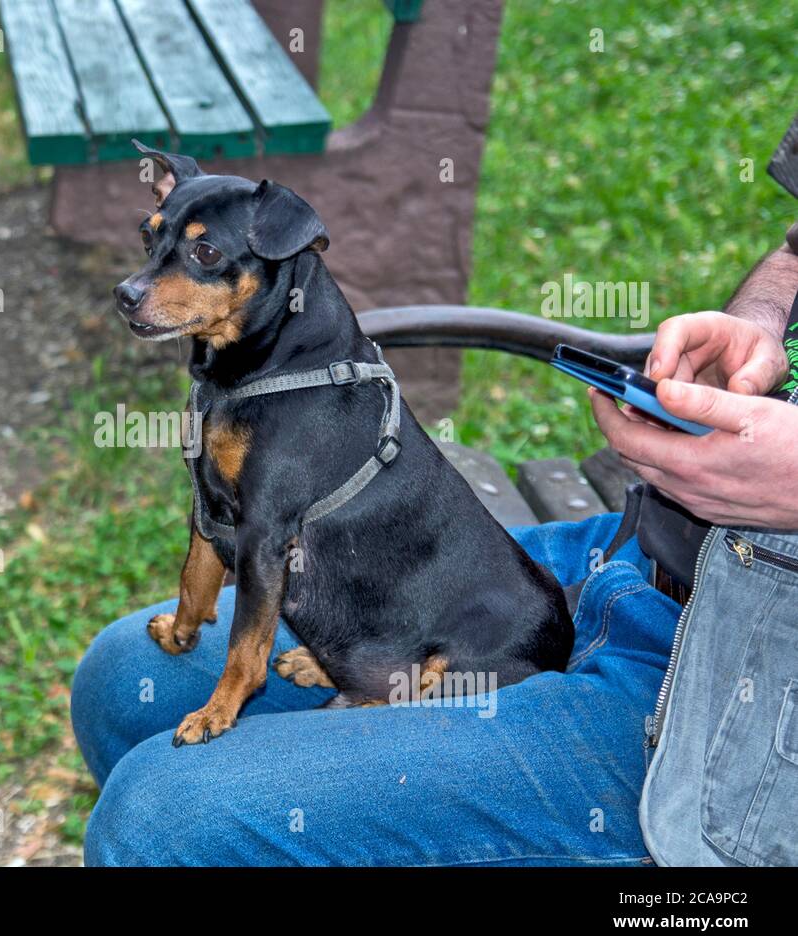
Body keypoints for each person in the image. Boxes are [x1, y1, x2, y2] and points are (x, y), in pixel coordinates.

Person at [70, 170, 798, 868]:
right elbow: (794, 252)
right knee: (120, 678)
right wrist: (758, 325)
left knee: (158, 822)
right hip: (642, 555)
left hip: (741, 694)